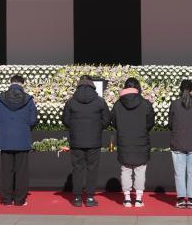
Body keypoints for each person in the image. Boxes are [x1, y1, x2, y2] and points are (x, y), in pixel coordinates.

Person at [62, 75, 110, 207]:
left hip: (76, 140)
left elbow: (65, 120)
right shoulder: (100, 101)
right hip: (94, 140)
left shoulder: (71, 101)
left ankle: (77, 198)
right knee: (92, 169)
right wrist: (97, 127)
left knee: (77, 168)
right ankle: (89, 198)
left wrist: (75, 128)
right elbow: (107, 120)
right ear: (92, 84)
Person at [0, 74, 38, 206]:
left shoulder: (1, 99)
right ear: (22, 84)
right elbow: (33, 120)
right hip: (22, 139)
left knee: (6, 171)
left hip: (6, 139)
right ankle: (19, 200)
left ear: (11, 83)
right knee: (21, 172)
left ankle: (6, 199)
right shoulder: (28, 99)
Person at [111, 78, 155, 208]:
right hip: (141, 141)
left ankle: (127, 198)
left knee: (125, 170)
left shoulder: (118, 105)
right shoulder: (145, 104)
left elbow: (113, 122)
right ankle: (139, 199)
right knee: (140, 170)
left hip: (124, 141)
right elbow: (150, 123)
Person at [168, 79, 192, 209]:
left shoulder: (174, 104)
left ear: (180, 89)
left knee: (179, 172)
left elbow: (170, 124)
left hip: (178, 142)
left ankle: (181, 199)